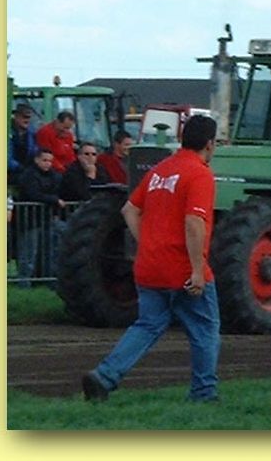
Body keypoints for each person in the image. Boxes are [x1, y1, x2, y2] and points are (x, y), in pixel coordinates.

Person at [82, 115, 220, 403]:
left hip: (149, 266)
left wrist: (147, 242)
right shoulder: (200, 174)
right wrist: (197, 270)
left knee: (147, 325)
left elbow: (129, 210)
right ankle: (203, 393)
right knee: (205, 329)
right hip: (181, 268)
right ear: (210, 144)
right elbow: (194, 222)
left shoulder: (160, 171)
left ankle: (104, 376)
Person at [15, 148, 66, 286]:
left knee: (49, 252)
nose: (48, 163)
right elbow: (33, 194)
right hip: (29, 220)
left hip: (46, 218)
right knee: (28, 253)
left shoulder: (54, 176)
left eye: (50, 161)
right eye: (44, 160)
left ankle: (48, 280)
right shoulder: (28, 175)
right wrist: (54, 200)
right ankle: (24, 283)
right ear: (36, 160)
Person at [8, 104, 38, 181]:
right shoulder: (8, 131)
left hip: (28, 169)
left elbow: (35, 150)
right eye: (25, 117)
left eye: (29, 117)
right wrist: (19, 168)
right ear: (16, 116)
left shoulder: (32, 132)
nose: (27, 120)